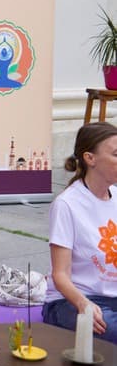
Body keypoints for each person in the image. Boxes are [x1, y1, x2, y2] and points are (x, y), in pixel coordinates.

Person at [42, 122, 117, 343]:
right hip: (71, 302)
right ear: (90, 158)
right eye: (116, 153)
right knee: (108, 328)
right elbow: (60, 275)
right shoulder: (67, 204)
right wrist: (83, 304)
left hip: (112, 298)